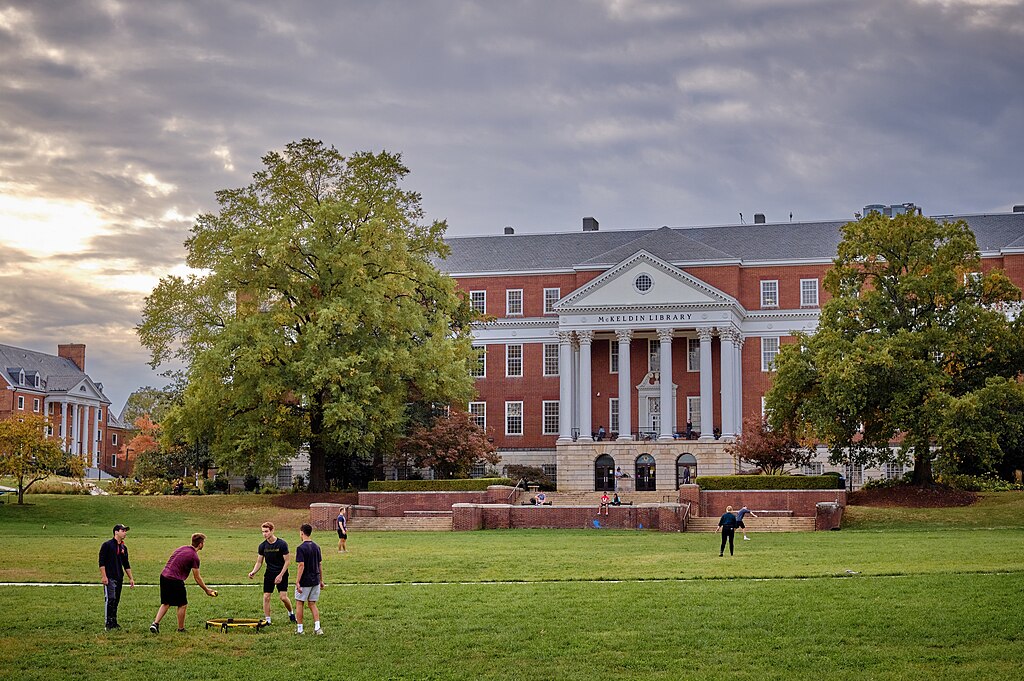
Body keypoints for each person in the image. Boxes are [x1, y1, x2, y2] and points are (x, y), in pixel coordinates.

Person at [150, 533, 216, 634]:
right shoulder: (194, 557)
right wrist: (207, 590)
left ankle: (155, 624)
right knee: (182, 604)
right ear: (200, 544)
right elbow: (197, 577)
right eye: (203, 543)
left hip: (164, 576)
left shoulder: (182, 548)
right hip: (175, 579)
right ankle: (181, 629)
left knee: (166, 603)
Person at [248, 522, 295, 625]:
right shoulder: (262, 546)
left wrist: (280, 575)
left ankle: (291, 613)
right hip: (269, 573)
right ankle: (268, 620)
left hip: (281, 573)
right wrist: (253, 572)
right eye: (263, 532)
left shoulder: (282, 544)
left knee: (283, 597)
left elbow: (287, 561)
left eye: (266, 531)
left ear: (272, 531)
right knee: (266, 597)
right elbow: (259, 562)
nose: (264, 534)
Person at [98, 523, 135, 631]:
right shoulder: (107, 545)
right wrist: (104, 576)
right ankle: (108, 623)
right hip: (109, 577)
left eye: (125, 531)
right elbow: (101, 562)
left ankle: (114, 621)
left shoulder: (123, 547)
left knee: (116, 600)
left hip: (119, 577)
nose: (125, 533)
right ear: (116, 532)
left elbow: (126, 564)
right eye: (122, 530)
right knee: (110, 599)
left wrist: (131, 578)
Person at [294, 523, 324, 635]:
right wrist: (321, 580)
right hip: (315, 579)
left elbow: (301, 565)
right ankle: (317, 627)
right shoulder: (317, 547)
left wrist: (297, 581)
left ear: (302, 533)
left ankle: (300, 629)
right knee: (312, 604)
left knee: (299, 603)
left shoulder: (301, 548)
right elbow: (319, 564)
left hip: (305, 581)